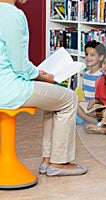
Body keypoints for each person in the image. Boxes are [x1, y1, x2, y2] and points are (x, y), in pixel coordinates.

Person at [0, 0, 87, 176]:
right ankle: (58, 163)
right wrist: (43, 76)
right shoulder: (13, 14)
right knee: (69, 98)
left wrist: (36, 74)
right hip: (9, 88)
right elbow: (20, 66)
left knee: (55, 100)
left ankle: (48, 161)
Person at [76, 40, 106, 125]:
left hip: (97, 106)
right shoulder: (85, 74)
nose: (88, 57)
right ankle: (88, 119)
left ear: (100, 57)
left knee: (75, 106)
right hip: (86, 106)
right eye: (86, 54)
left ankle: (93, 121)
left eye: (92, 55)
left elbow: (104, 97)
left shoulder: (101, 75)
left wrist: (94, 101)